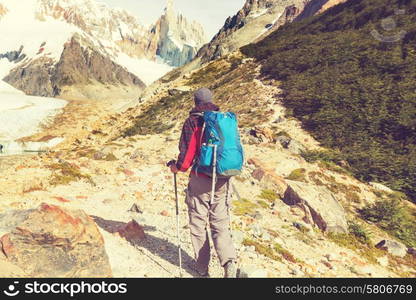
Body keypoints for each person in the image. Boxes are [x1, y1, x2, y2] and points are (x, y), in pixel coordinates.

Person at [169, 87, 237, 278]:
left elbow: (188, 154)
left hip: (201, 179)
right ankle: (229, 262)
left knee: (198, 223)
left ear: (195, 101)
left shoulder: (194, 121)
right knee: (220, 223)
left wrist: (178, 168)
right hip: (223, 179)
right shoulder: (221, 120)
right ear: (211, 100)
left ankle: (201, 267)